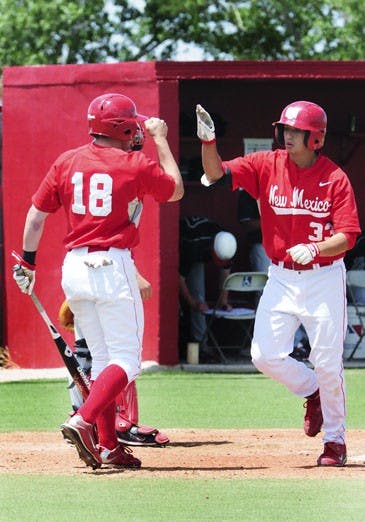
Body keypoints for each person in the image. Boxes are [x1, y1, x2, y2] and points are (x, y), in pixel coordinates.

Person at [13, 92, 183, 470]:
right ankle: (83, 419)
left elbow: (36, 217)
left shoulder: (67, 160)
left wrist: (28, 262)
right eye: (133, 124)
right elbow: (176, 189)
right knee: (126, 362)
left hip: (74, 268)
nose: (137, 128)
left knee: (102, 361)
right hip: (112, 265)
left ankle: (109, 445)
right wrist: (161, 140)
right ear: (121, 127)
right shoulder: (135, 162)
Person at [196, 100, 360, 467]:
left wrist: (316, 247)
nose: (287, 136)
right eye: (284, 129)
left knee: (328, 362)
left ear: (314, 137)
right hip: (282, 276)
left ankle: (335, 441)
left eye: (295, 131)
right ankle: (312, 390)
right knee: (264, 355)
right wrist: (208, 142)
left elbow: (348, 236)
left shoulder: (334, 177)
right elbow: (217, 174)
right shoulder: (266, 164)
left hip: (323, 277)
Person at [58, 270, 169, 447]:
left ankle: (81, 418)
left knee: (86, 351)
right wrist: (136, 277)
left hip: (78, 274)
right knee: (122, 357)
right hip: (106, 277)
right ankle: (120, 424)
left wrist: (28, 261)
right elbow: (112, 251)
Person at [238, 189, 311, 361]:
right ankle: (272, 342)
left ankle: (297, 342)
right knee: (267, 292)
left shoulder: (286, 184)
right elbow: (246, 223)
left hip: (291, 245)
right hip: (262, 246)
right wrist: (274, 218)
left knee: (296, 291)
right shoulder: (248, 190)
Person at [179, 216, 237, 361]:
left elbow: (226, 272)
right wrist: (194, 304)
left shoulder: (227, 242)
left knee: (200, 299)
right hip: (183, 242)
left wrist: (223, 301)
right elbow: (179, 279)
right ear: (211, 249)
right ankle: (200, 344)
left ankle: (202, 344)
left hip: (201, 243)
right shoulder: (193, 246)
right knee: (198, 297)